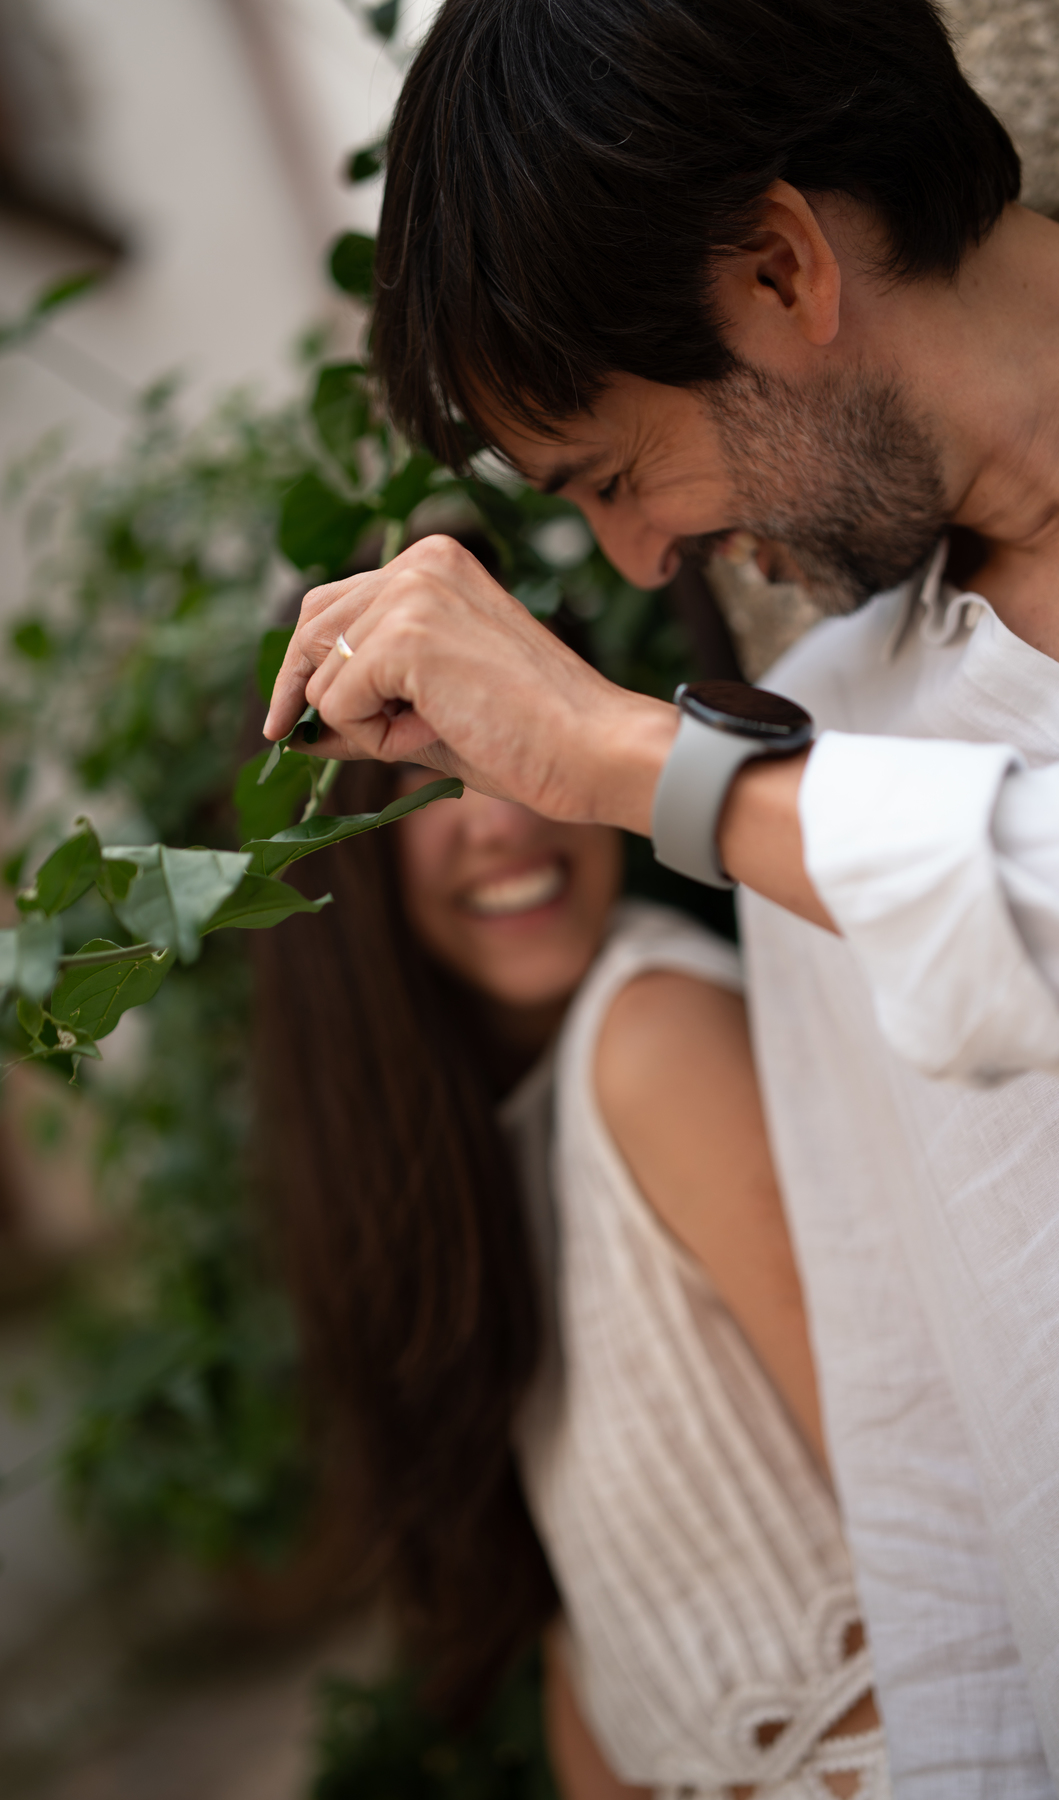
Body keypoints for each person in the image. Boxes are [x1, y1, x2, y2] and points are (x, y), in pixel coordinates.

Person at [264, 2, 1059, 1794]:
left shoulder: (742, 789)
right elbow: (931, 1501)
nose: (638, 562)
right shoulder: (813, 750)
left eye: (616, 476)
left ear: (778, 267)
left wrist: (641, 763)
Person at [256, 748, 889, 1800]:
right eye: (424, 778)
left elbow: (928, 1496)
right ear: (332, 852)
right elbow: (587, 1656)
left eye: (496, 734)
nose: (498, 818)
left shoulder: (651, 1038)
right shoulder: (472, 1161)